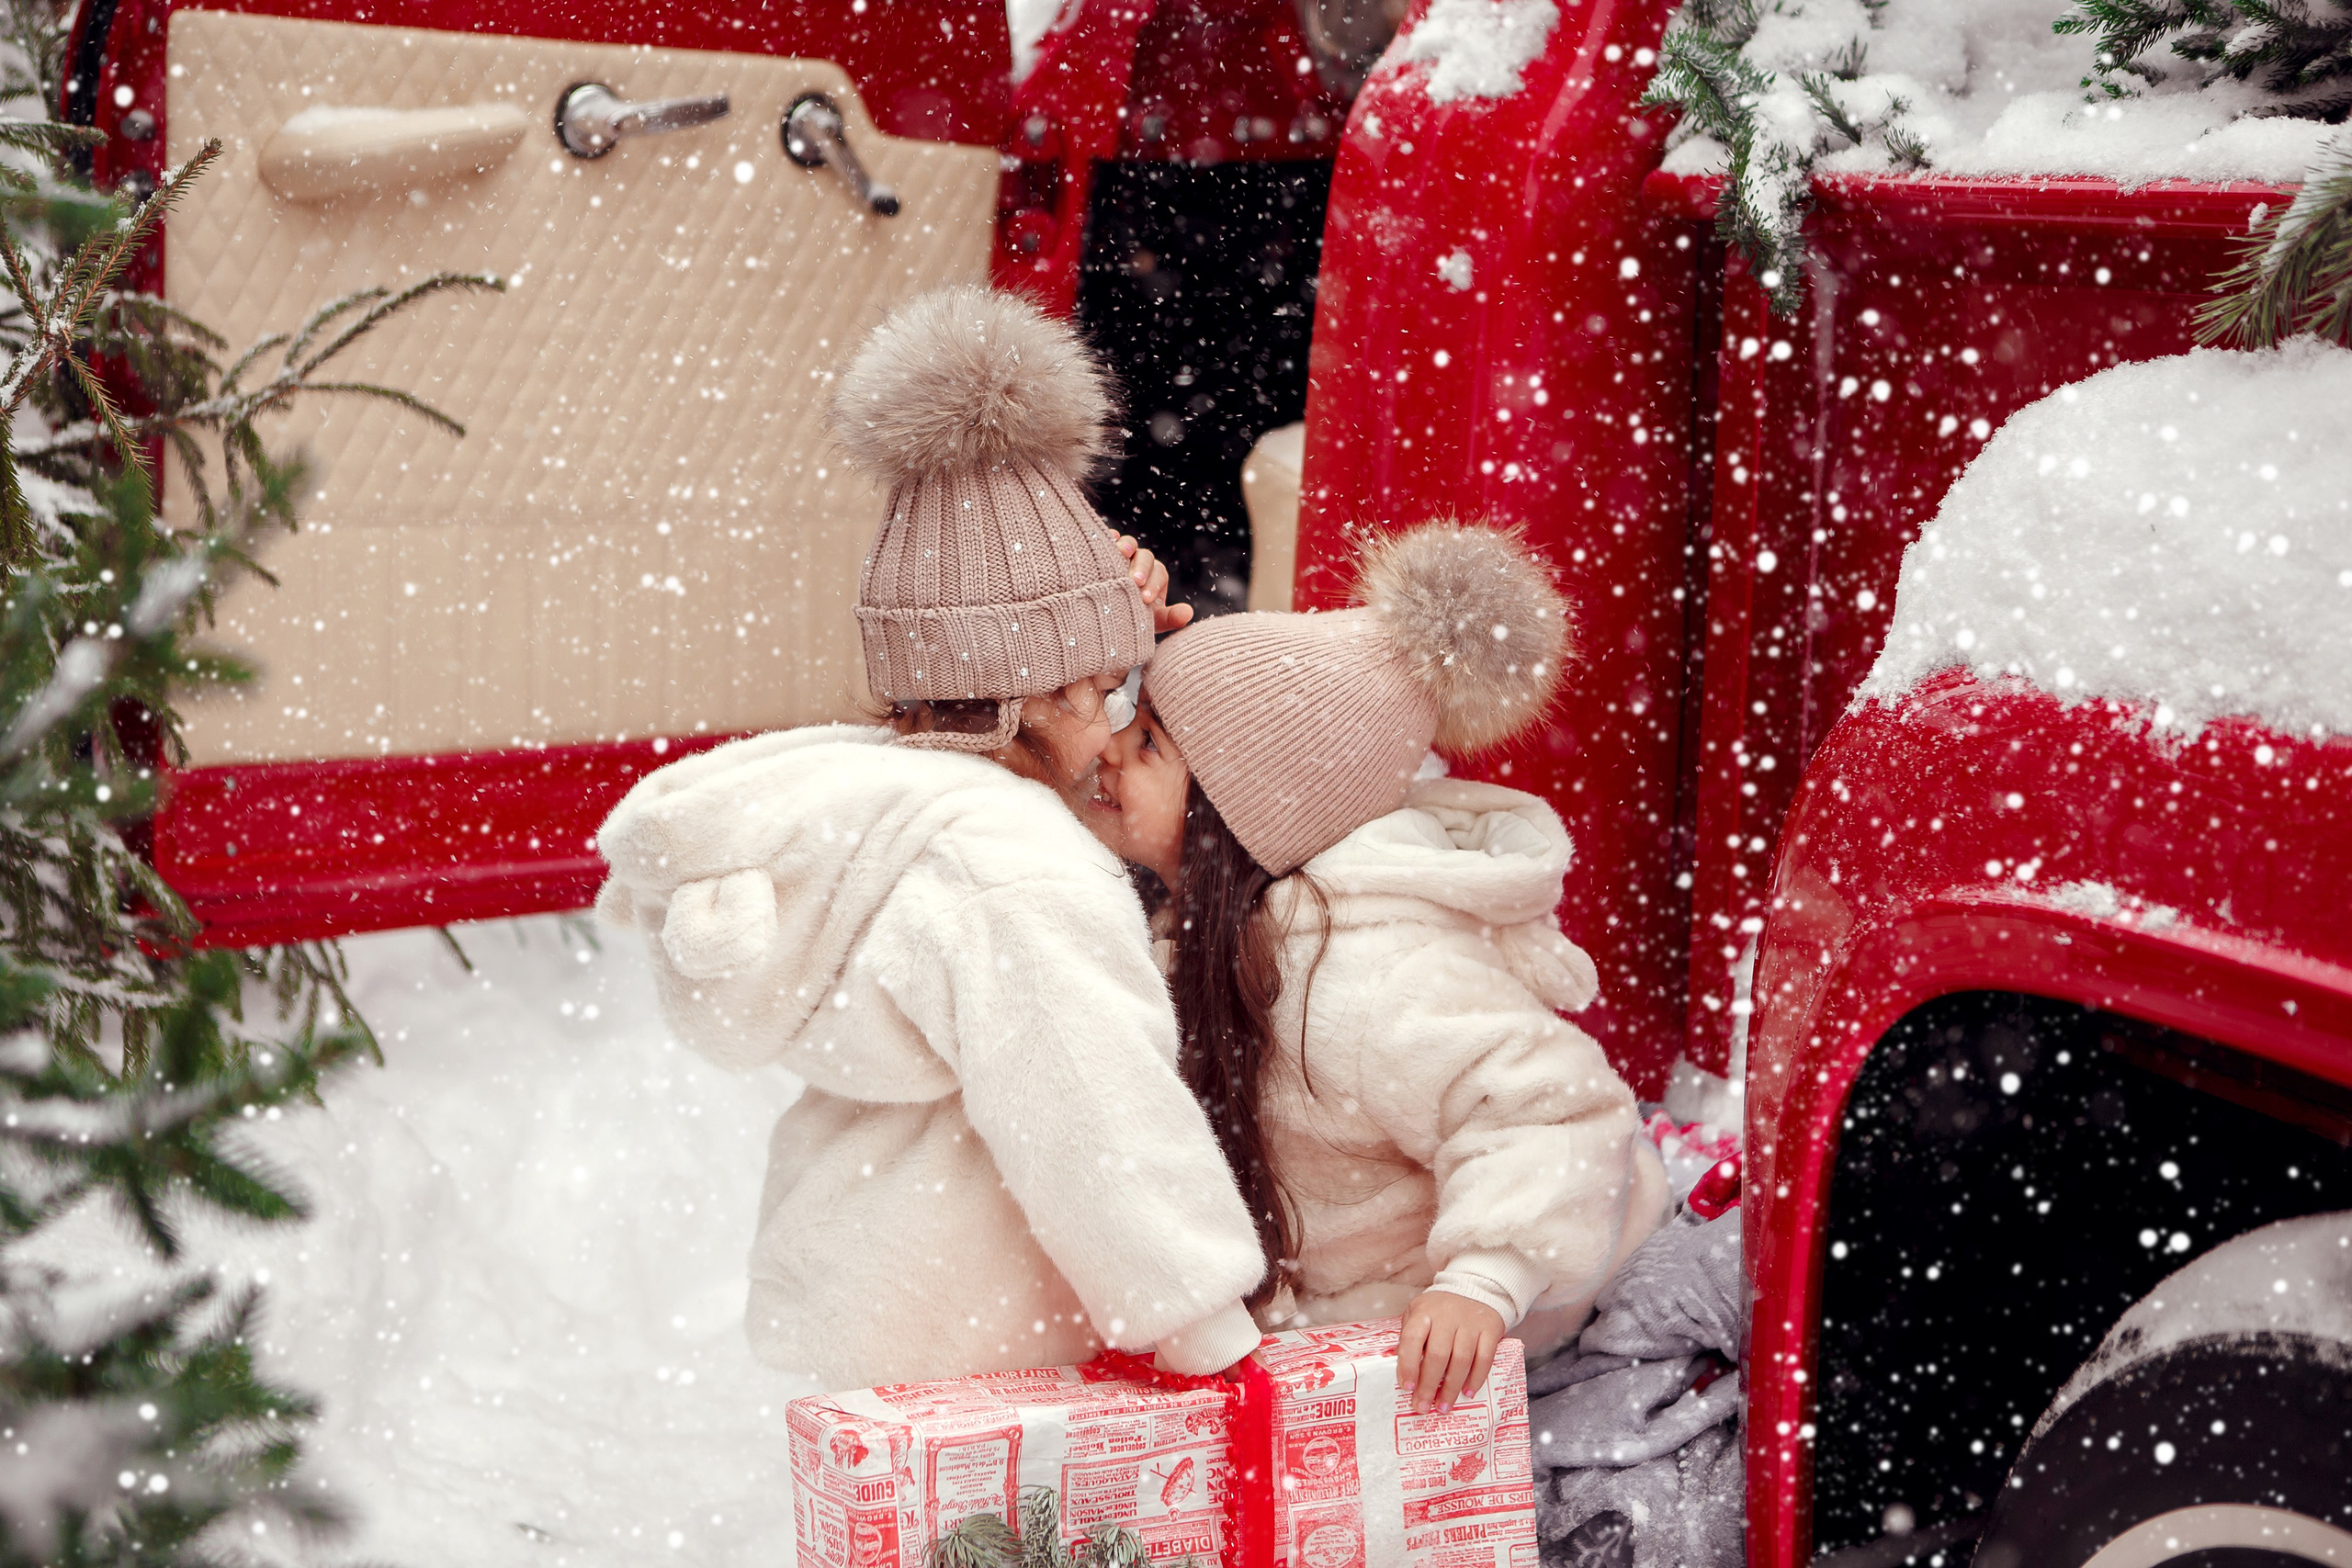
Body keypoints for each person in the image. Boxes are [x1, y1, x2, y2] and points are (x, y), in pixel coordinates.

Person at [596, 285, 1264, 1391]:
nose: (1113, 731)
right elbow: (1094, 1123)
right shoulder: (1014, 872)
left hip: (871, 1313)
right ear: (1018, 695)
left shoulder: (884, 821)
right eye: (1100, 692)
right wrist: (1203, 1324)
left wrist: (1097, 621)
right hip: (990, 1350)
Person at [1083, 520, 1668, 1416]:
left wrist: (1485, 1278)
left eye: (1150, 743)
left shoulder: (1366, 977)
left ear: (1237, 815)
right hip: (1344, 1312)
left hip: (1505, 1316)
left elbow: (1552, 1110)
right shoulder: (1206, 936)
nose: (1111, 752)